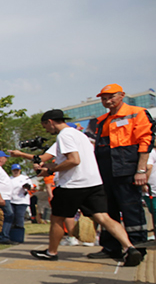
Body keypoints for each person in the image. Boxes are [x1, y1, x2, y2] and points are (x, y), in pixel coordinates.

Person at [29, 109, 142, 266]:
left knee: (57, 218)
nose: (46, 130)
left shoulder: (64, 135)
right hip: (93, 182)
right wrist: (50, 165)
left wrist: (51, 170)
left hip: (73, 184)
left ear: (50, 122)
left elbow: (74, 160)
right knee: (103, 217)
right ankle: (129, 248)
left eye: (45, 126)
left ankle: (51, 252)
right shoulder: (80, 135)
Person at [88, 84, 154, 259]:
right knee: (108, 211)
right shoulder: (101, 120)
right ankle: (111, 248)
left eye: (111, 97)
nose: (107, 101)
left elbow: (145, 142)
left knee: (131, 209)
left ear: (122, 95)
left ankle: (137, 248)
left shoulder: (137, 113)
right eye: (103, 98)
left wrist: (141, 170)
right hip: (105, 170)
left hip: (127, 169)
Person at [9, 163, 31, 242]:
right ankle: (11, 236)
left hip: (22, 201)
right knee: (11, 217)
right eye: (14, 170)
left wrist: (26, 186)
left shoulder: (25, 178)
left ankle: (19, 236)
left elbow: (30, 187)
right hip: (12, 200)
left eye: (17, 170)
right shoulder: (9, 179)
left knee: (19, 217)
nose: (16, 172)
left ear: (20, 170)